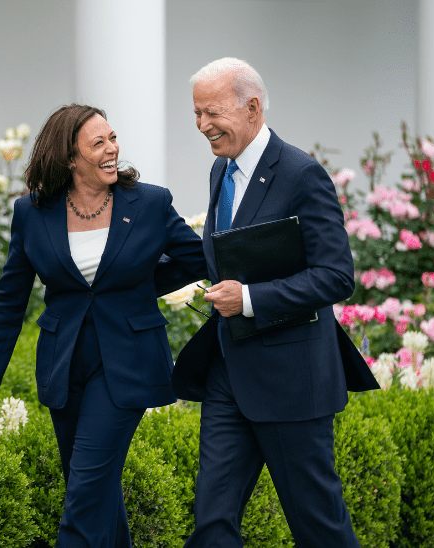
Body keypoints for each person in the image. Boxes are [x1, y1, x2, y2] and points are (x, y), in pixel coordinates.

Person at [0, 104, 206, 548]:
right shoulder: (32, 212)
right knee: (96, 489)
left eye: (113, 138)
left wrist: (139, 287)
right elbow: (8, 301)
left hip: (127, 362)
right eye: (98, 143)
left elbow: (196, 258)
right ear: (69, 158)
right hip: (65, 363)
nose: (112, 149)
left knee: (83, 491)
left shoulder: (150, 202)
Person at [168, 58, 380, 547]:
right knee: (212, 522)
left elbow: (335, 276)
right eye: (196, 113)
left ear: (253, 107)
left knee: (319, 528)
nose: (202, 125)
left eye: (212, 113)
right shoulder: (221, 169)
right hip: (228, 375)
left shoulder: (302, 174)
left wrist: (249, 299)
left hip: (293, 379)